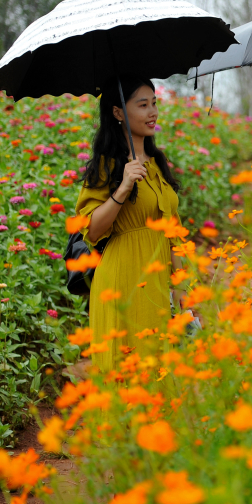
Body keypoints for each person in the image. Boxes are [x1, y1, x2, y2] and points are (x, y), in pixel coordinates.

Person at [75, 77, 185, 372]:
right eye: (142, 105)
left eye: (154, 103)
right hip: (121, 280)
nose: (153, 112)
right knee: (126, 374)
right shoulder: (107, 166)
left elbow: (174, 232)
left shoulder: (158, 162)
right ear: (118, 112)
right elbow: (93, 230)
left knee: (158, 373)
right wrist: (122, 188)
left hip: (157, 282)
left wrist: (184, 285)